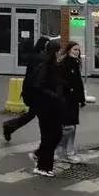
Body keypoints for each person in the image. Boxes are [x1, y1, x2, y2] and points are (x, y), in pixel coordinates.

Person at [2, 37, 50, 142]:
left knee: (32, 114)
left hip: (33, 90)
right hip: (35, 91)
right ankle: (9, 126)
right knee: (39, 115)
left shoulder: (36, 56)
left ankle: (10, 126)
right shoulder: (40, 57)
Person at [30, 38, 65, 177]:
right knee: (50, 136)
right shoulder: (44, 66)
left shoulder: (56, 66)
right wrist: (53, 94)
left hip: (53, 107)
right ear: (54, 52)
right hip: (44, 106)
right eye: (58, 50)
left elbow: (58, 82)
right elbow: (38, 85)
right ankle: (43, 166)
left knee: (56, 135)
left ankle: (39, 157)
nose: (60, 53)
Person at [56, 40, 86, 164]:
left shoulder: (75, 63)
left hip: (74, 100)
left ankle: (69, 152)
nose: (77, 52)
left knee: (72, 127)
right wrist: (68, 89)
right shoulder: (64, 64)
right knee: (68, 127)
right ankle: (54, 149)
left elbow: (79, 83)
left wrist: (81, 99)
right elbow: (60, 81)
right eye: (75, 49)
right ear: (68, 50)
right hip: (65, 99)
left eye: (78, 50)